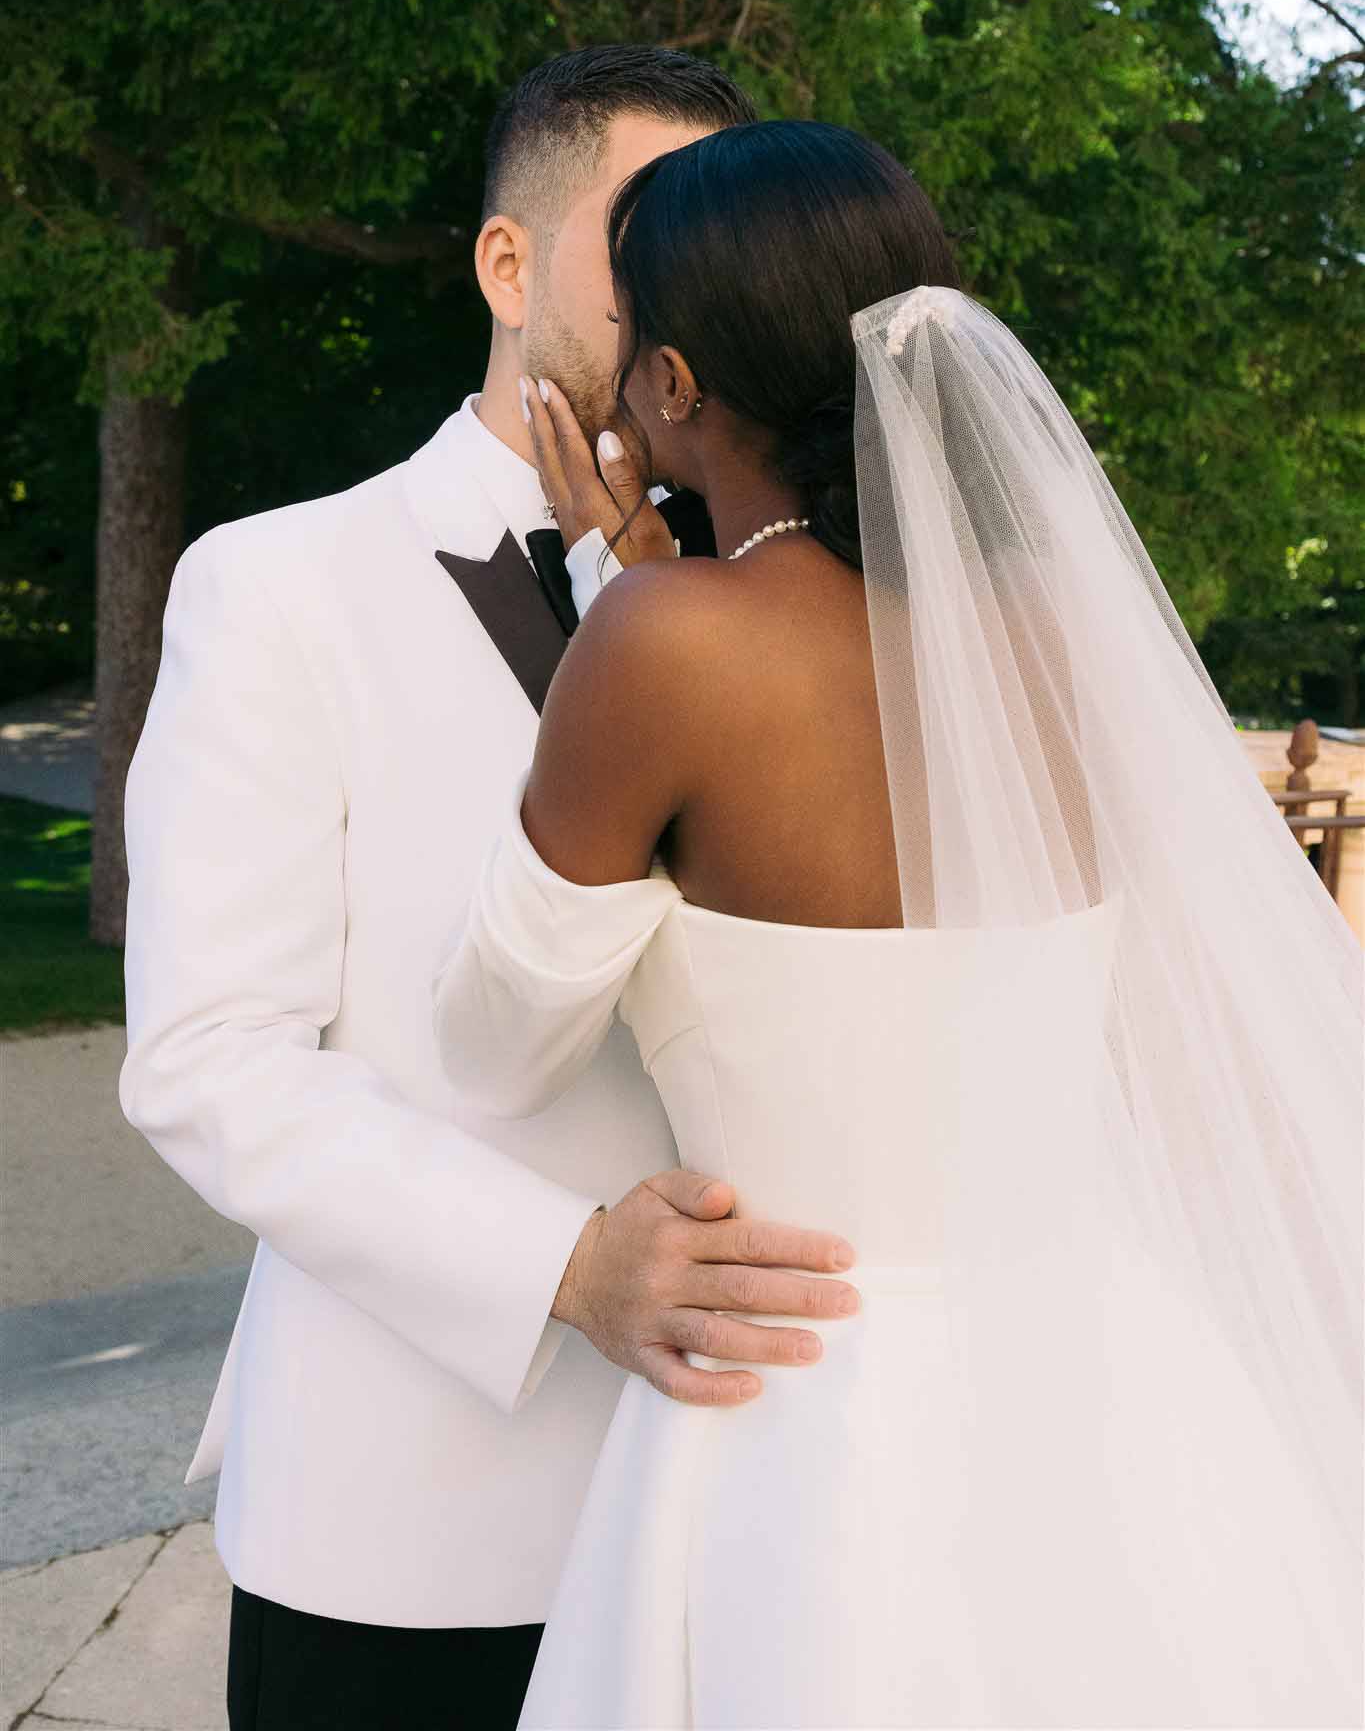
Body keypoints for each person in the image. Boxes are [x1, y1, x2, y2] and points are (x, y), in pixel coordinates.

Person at [434, 119, 1363, 1728]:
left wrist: (618, 595)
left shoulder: (661, 642)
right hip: (1113, 1392)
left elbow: (497, 1045)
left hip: (808, 1418)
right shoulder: (1063, 641)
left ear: (668, 383)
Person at [118, 50, 865, 1731]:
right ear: (507, 269)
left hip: (764, 1503)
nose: (692, 275)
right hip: (418, 1523)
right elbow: (209, 1058)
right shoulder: (278, 587)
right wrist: (564, 1265)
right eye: (642, 230)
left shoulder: (824, 609)